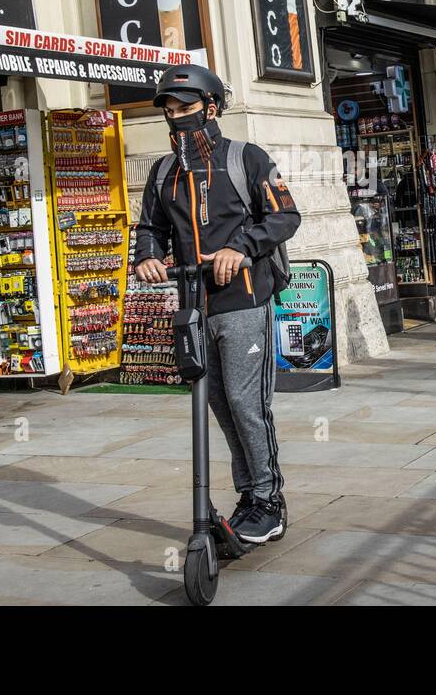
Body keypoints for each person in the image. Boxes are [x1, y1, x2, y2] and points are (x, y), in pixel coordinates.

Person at [134, 65, 301, 543]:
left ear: (211, 108)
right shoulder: (163, 170)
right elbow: (150, 228)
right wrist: (146, 257)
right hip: (192, 304)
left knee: (248, 404)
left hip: (244, 299)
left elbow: (286, 217)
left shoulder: (246, 158)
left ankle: (270, 501)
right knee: (221, 407)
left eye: (185, 109)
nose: (176, 118)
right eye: (169, 110)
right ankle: (249, 498)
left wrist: (240, 248)